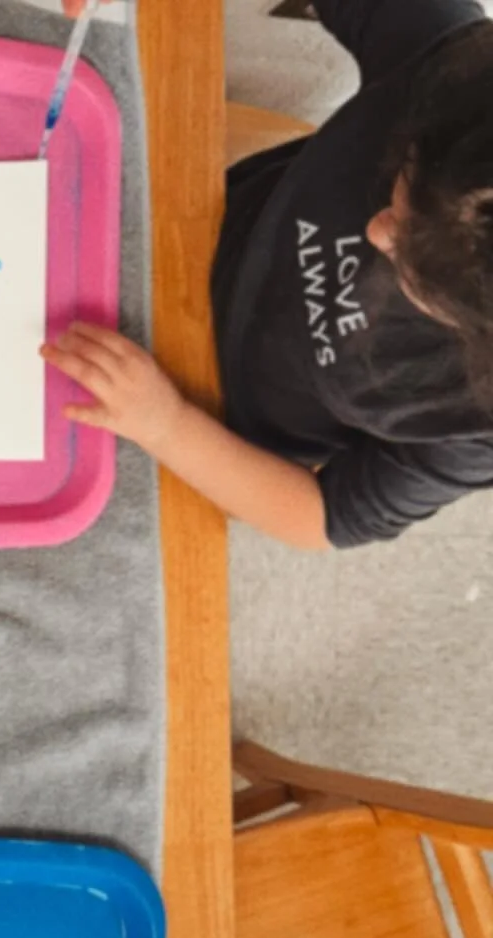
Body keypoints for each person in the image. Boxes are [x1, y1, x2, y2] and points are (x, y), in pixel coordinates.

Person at [44, 0, 493, 549]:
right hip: (198, 219)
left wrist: (165, 424)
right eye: (404, 175)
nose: (377, 233)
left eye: (409, 258)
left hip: (204, 414)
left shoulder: (474, 420)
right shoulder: (457, 79)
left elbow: (321, 516)